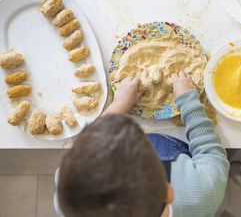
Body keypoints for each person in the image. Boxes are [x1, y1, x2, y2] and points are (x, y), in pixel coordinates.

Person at [54, 72, 230, 217]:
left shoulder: (72, 197)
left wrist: (119, 104)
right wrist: (188, 101)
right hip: (177, 150)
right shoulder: (201, 192)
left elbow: (87, 149)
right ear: (168, 192)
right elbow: (211, 152)